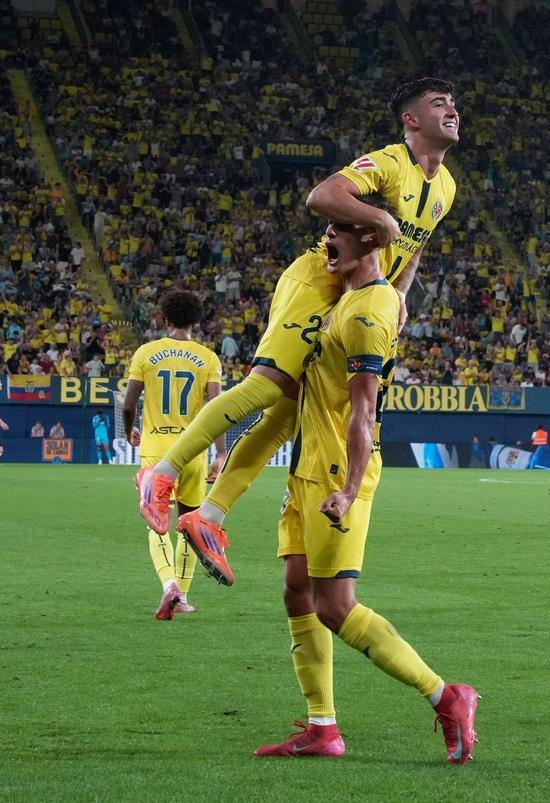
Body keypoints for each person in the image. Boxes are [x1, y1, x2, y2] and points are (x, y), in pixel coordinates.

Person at [137, 78, 460, 586]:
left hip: (358, 294)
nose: (452, 110)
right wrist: (378, 218)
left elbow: (416, 245)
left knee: (287, 415)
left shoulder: (447, 188)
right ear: (411, 120)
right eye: (439, 103)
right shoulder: (390, 162)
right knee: (267, 386)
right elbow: (323, 195)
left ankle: (209, 516)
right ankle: (161, 474)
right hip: (318, 279)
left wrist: (400, 292)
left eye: (453, 103)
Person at [254, 221, 477, 763]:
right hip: (308, 464)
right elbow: (403, 266)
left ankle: (446, 696)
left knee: (335, 606)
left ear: (371, 242)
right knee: (297, 590)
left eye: (340, 229)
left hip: (336, 470)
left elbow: (363, 411)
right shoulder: (358, 296)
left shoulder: (366, 313)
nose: (327, 236)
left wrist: (349, 490)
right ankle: (322, 728)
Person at [126, 290, 225, 619]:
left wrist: (129, 430)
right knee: (191, 523)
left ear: (164, 318)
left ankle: (168, 584)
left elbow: (128, 404)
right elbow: (216, 408)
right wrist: (221, 452)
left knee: (156, 522)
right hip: (193, 450)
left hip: (155, 450)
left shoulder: (146, 352)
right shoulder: (208, 358)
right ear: (196, 321)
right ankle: (181, 596)